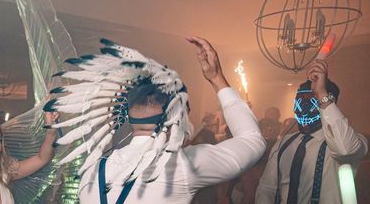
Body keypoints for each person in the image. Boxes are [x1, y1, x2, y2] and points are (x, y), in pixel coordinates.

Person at [49, 36, 266, 204]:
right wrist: (217, 78)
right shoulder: (182, 165)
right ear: (175, 120)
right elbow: (253, 141)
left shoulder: (94, 169)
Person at [255, 58, 368, 204]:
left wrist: (321, 93)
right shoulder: (285, 142)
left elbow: (345, 149)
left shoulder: (353, 141)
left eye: (312, 100)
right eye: (300, 100)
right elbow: (268, 187)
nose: (304, 107)